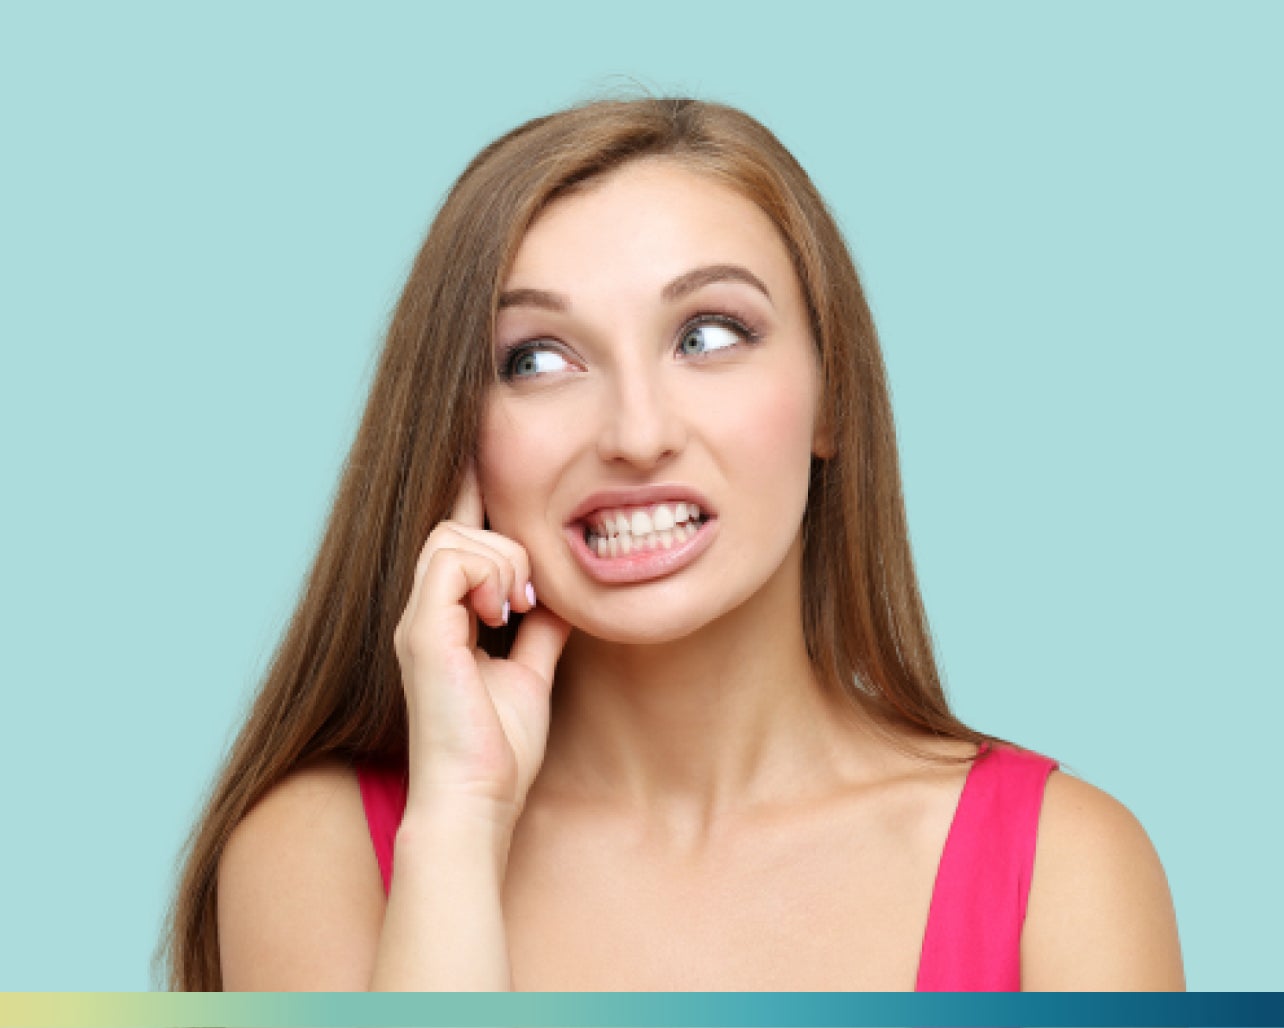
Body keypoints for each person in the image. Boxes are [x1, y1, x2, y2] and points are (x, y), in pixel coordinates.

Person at [159, 96, 1184, 991]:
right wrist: (459, 829)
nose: (637, 433)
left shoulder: (1064, 866)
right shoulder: (320, 849)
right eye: (540, 358)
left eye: (708, 334)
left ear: (832, 403)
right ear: (459, 435)